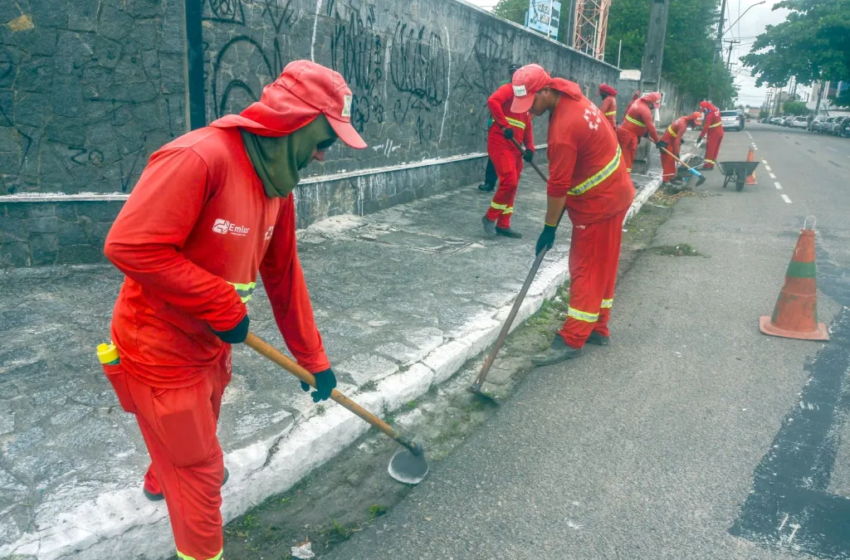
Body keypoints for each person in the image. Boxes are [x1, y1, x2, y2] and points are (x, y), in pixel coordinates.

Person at [102, 60, 366, 560]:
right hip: (160, 351)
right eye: (325, 141)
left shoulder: (276, 186)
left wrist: (314, 359)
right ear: (297, 122)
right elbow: (130, 246)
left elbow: (284, 275)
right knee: (201, 475)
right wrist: (220, 302)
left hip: (211, 346)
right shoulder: (200, 158)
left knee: (192, 437)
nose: (324, 156)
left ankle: (164, 473)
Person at [508, 64, 635, 366]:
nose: (529, 111)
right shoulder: (572, 96)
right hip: (616, 192)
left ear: (546, 90)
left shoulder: (563, 130)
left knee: (585, 268)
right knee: (603, 266)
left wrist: (548, 228)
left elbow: (558, 185)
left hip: (598, 205)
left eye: (532, 103)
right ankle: (598, 327)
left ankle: (572, 337)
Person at [482, 70, 535, 238]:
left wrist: (531, 148)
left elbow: (527, 125)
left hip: (515, 146)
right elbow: (493, 101)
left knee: (513, 186)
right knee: (509, 182)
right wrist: (504, 125)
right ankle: (490, 217)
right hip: (500, 141)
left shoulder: (526, 99)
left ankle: (504, 224)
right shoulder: (509, 89)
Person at [478, 64, 523, 193]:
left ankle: (508, 185)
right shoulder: (505, 86)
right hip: (501, 128)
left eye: (516, 72)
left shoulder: (523, 89)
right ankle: (490, 182)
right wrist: (499, 123)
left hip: (514, 130)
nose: (514, 75)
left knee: (512, 159)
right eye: (512, 72)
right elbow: (495, 102)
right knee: (494, 156)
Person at [615, 91, 665, 173]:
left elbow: (635, 119)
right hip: (627, 135)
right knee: (625, 158)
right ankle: (621, 179)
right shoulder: (645, 110)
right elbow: (651, 128)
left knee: (627, 158)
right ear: (649, 101)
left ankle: (625, 178)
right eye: (653, 105)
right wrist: (658, 141)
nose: (654, 108)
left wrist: (642, 133)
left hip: (629, 133)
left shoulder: (638, 101)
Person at [659, 111, 703, 187]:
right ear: (692, 120)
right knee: (669, 161)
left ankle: (671, 178)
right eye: (695, 123)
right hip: (666, 141)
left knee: (672, 160)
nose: (695, 125)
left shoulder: (684, 118)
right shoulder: (683, 125)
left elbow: (676, 136)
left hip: (671, 139)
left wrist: (676, 149)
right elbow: (677, 141)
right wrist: (677, 153)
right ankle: (666, 181)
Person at [697, 100, 724, 170]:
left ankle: (707, 166)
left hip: (713, 133)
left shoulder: (710, 115)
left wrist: (700, 137)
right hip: (720, 132)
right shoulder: (716, 110)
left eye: (703, 110)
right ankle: (711, 165)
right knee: (715, 149)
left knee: (710, 149)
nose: (703, 112)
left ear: (706, 108)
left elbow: (706, 127)